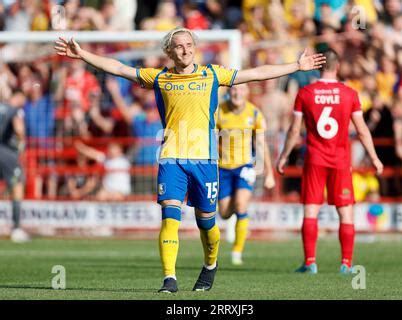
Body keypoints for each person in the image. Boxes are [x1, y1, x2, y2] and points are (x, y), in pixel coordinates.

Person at [54, 26, 325, 293]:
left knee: (207, 223)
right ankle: (169, 279)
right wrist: (83, 55)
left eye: (189, 45)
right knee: (169, 217)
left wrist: (295, 66)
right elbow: (119, 68)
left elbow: (256, 74)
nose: (185, 50)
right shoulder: (159, 77)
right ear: (169, 51)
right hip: (172, 159)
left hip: (205, 161)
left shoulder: (212, 74)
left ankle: (210, 265)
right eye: (179, 46)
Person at [276, 49, 383, 274]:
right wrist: (374, 157)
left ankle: (310, 262)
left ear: (318, 66)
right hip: (341, 160)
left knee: (311, 210)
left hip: (314, 158)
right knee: (345, 211)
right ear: (338, 66)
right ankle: (346, 264)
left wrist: (284, 156)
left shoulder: (305, 93)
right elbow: (362, 130)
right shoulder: (350, 94)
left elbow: (295, 129)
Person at [217, 83, 275, 266]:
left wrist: (269, 173)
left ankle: (237, 251)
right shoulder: (219, 112)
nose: (237, 93)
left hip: (244, 166)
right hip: (223, 167)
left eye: (241, 89)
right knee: (225, 213)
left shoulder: (254, 113)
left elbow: (261, 144)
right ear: (229, 92)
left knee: (241, 206)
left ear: (247, 92)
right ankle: (235, 200)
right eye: (234, 89)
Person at [0, 90, 29, 243]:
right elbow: (19, 128)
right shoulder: (15, 110)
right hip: (6, 153)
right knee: (18, 185)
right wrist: (22, 142)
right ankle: (16, 228)